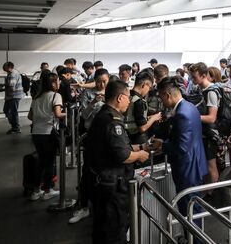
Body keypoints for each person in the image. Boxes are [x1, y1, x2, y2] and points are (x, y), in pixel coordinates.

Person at [85, 80, 158, 244]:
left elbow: (116, 146)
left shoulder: (104, 115)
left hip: (101, 181)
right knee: (114, 227)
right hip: (112, 185)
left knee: (102, 226)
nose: (128, 101)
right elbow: (123, 155)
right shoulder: (113, 122)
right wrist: (139, 155)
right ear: (119, 98)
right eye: (127, 97)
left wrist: (141, 146)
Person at [157, 76, 208, 237]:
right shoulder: (189, 107)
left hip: (187, 168)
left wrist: (162, 145)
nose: (161, 102)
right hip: (194, 163)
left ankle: (195, 240)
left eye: (161, 98)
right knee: (191, 208)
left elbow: (181, 147)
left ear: (167, 95)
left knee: (189, 209)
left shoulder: (182, 114)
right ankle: (191, 238)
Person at [69, 69, 110, 225]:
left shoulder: (112, 93)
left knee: (106, 173)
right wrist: (93, 103)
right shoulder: (87, 94)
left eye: (105, 81)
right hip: (91, 137)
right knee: (88, 171)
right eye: (99, 81)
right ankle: (84, 206)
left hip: (107, 138)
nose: (102, 84)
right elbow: (84, 116)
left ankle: (103, 207)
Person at [27, 72, 64, 201]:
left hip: (36, 133)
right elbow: (58, 114)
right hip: (49, 133)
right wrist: (68, 114)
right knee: (49, 163)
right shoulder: (56, 95)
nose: (59, 83)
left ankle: (36, 191)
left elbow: (30, 116)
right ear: (53, 83)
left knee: (41, 163)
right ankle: (48, 190)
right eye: (58, 81)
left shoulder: (37, 97)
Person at [189, 62, 222, 184]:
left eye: (194, 77)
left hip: (210, 135)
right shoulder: (199, 89)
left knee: (211, 166)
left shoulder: (212, 92)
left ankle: (211, 194)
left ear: (203, 75)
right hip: (203, 134)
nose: (192, 80)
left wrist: (192, 116)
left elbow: (211, 118)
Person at [125, 72, 162, 144]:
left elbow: (133, 117)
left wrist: (148, 118)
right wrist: (154, 118)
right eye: (149, 87)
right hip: (138, 139)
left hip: (127, 136)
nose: (149, 90)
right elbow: (142, 128)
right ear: (143, 85)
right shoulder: (139, 101)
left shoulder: (128, 96)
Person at [2, 61, 25, 134]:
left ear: (9, 67)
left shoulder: (13, 74)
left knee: (13, 112)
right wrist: (4, 85)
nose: (3, 68)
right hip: (12, 96)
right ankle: (14, 126)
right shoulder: (12, 73)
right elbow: (11, 85)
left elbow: (12, 87)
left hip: (14, 96)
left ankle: (16, 128)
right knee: (7, 110)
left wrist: (2, 88)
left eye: (4, 66)